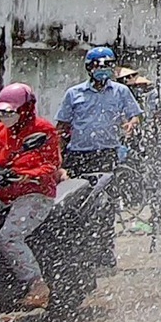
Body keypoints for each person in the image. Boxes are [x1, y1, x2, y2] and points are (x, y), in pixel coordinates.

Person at [0, 84, 62, 309]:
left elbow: (51, 165)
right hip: (2, 193)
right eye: (0, 112)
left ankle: (37, 285)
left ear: (26, 109)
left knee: (8, 237)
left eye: (9, 112)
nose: (4, 116)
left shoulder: (43, 130)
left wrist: (27, 175)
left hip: (35, 193)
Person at [55, 45, 141, 266]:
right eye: (97, 65)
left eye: (107, 65)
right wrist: (58, 157)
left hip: (106, 155)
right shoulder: (74, 94)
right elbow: (62, 126)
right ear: (89, 68)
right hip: (78, 155)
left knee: (104, 204)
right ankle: (75, 250)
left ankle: (104, 250)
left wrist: (131, 124)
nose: (102, 69)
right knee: (74, 202)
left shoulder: (121, 92)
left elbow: (135, 115)